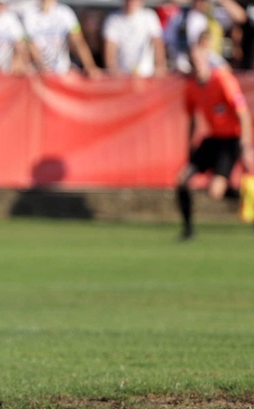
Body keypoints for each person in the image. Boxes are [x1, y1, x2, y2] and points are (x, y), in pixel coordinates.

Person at [176, 31, 254, 240]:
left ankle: (250, 201)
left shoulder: (222, 80)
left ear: (206, 60)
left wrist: (246, 146)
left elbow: (243, 114)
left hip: (231, 140)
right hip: (212, 140)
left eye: (200, 59)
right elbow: (192, 118)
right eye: (193, 60)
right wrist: (189, 149)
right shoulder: (191, 87)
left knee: (215, 192)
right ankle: (188, 230)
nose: (197, 64)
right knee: (182, 180)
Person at [19, 0, 101, 78]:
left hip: (62, 71)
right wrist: (42, 67)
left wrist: (90, 66)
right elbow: (29, 44)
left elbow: (78, 41)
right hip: (38, 73)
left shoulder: (66, 13)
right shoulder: (28, 14)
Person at [102, 0, 167, 77]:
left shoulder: (150, 16)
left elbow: (157, 43)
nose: (131, 2)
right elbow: (110, 48)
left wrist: (159, 65)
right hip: (122, 76)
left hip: (147, 74)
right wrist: (112, 68)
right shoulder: (112, 19)